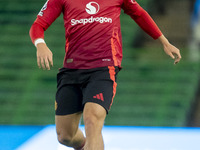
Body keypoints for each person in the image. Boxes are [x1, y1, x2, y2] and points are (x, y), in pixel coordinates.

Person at [29, 0, 181, 149]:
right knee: (65, 136)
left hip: (103, 68)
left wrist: (164, 41)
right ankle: (84, 146)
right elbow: (38, 25)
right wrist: (40, 43)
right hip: (72, 70)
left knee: (92, 120)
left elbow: (139, 14)